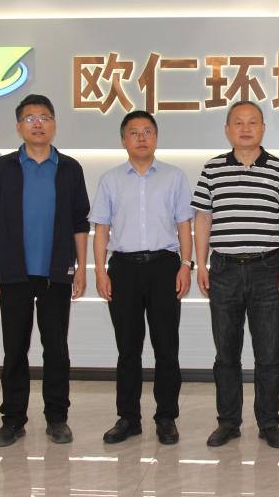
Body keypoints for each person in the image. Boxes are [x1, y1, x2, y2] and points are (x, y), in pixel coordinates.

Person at [191, 100, 279, 449]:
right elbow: (203, 219)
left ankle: (269, 423)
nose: (245, 128)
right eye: (238, 122)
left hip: (267, 269)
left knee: (268, 354)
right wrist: (201, 263)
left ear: (263, 129)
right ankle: (228, 422)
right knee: (226, 354)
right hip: (224, 268)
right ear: (227, 130)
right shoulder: (212, 170)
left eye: (252, 122)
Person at [0, 94, 90, 447]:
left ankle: (57, 418)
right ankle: (13, 420)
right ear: (18, 126)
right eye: (30, 118)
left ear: (54, 124)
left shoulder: (69, 168)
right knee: (14, 349)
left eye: (44, 117)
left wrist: (81, 269)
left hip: (56, 272)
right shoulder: (3, 168)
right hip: (14, 272)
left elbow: (80, 223)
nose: (37, 123)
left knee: (56, 348)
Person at [90, 110, 194, 446]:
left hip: (165, 266)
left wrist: (186, 265)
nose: (141, 138)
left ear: (156, 137)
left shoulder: (174, 177)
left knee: (166, 347)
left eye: (147, 131)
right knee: (128, 349)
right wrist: (100, 271)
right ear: (123, 140)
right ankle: (128, 418)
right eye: (134, 132)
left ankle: (166, 417)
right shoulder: (110, 179)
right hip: (123, 269)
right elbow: (101, 230)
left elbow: (184, 225)